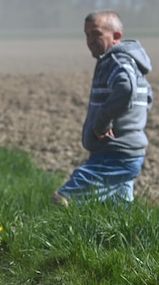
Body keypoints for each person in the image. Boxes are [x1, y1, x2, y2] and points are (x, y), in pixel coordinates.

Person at [52, 11, 153, 207]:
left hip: (115, 153)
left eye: (96, 34)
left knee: (63, 200)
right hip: (123, 152)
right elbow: (148, 96)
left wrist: (102, 123)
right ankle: (128, 238)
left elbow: (126, 88)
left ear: (116, 36)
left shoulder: (116, 61)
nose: (90, 40)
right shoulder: (128, 62)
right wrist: (132, 122)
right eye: (87, 35)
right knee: (118, 215)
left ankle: (40, 235)